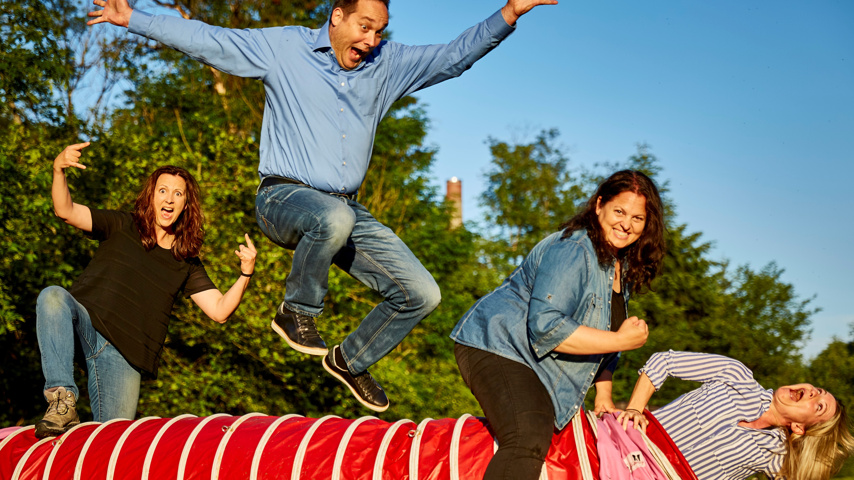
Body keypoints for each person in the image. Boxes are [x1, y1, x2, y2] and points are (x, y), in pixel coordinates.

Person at [87, 0, 558, 412]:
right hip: (282, 198)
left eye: (380, 31)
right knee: (333, 217)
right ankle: (296, 311)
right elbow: (211, 41)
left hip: (346, 210)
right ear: (337, 17)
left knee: (421, 293)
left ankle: (350, 360)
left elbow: (453, 57)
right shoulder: (285, 48)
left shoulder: (387, 63)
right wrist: (134, 19)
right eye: (364, 27)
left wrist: (508, 13)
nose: (371, 41)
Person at [450, 170, 667, 479]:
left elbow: (603, 336)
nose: (626, 224)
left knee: (560, 439)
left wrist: (603, 395)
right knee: (527, 434)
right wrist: (621, 341)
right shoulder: (574, 248)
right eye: (619, 211)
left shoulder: (620, 266)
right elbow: (547, 326)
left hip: (534, 364)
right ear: (599, 206)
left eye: (637, 218)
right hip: (497, 346)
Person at [35, 142, 257, 439]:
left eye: (178, 194)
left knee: (111, 443)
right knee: (52, 296)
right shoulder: (121, 224)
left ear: (186, 205)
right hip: (87, 324)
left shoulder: (186, 261)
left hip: (125, 356)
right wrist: (58, 170)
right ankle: (62, 402)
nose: (169, 199)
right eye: (163, 190)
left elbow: (219, 311)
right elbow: (65, 211)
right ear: (151, 196)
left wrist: (245, 273)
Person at [617, 350, 854, 480]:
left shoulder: (777, 456)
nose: (813, 392)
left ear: (800, 428)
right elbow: (665, 361)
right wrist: (635, 409)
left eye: (819, 406)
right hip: (622, 447)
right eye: (818, 390)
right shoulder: (735, 374)